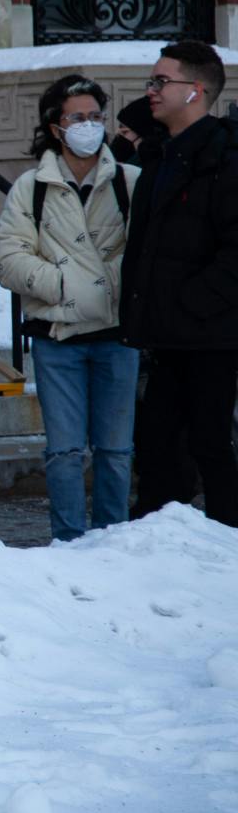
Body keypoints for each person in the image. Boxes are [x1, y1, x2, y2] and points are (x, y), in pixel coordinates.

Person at [0, 75, 139, 542]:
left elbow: (148, 253)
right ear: (56, 126)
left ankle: (114, 540)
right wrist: (61, 285)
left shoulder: (131, 182)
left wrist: (106, 287)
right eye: (77, 117)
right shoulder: (30, 187)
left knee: (117, 450)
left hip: (119, 335)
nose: (88, 126)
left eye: (96, 116)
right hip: (57, 336)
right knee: (64, 451)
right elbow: (7, 256)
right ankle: (69, 542)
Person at [120, 40, 238, 527]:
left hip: (209, 337)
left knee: (209, 443)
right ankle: (156, 541)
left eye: (160, 81)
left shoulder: (225, 158)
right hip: (165, 337)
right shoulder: (161, 161)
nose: (151, 90)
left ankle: (227, 541)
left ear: (195, 91)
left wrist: (190, 304)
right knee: (157, 446)